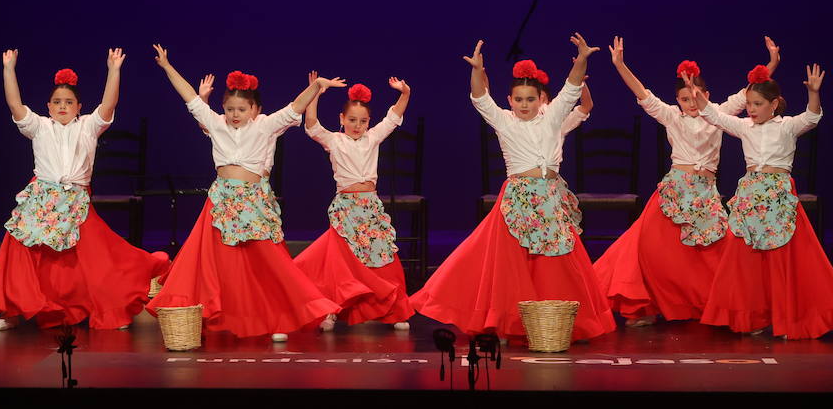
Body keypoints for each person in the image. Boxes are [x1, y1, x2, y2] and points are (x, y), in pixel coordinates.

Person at [410, 35, 615, 342]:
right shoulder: (505, 122)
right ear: (510, 101)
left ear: (540, 100)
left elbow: (572, 89)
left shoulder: (553, 117)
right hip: (518, 199)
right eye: (518, 100)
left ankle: (554, 321)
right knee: (510, 265)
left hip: (549, 198)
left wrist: (582, 58)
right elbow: (480, 99)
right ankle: (505, 321)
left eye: (530, 99)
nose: (524, 105)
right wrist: (478, 70)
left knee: (555, 264)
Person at [145, 45, 341, 340]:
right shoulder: (215, 124)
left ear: (254, 109)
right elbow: (188, 96)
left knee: (268, 260)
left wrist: (316, 86)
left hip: (253, 199)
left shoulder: (265, 126)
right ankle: (220, 313)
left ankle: (296, 312)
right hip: (222, 200)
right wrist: (167, 65)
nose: (234, 115)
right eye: (229, 109)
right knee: (217, 264)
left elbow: (295, 107)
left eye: (241, 109)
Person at [594, 36, 780, 325]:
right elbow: (643, 94)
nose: (691, 103)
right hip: (675, 190)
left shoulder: (717, 113)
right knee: (648, 249)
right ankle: (645, 306)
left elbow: (748, 94)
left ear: (705, 93)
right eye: (684, 99)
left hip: (705, 193)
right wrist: (620, 64)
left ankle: (727, 308)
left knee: (714, 254)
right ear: (677, 101)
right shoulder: (671, 117)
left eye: (695, 96)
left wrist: (771, 64)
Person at [0, 48, 169, 330]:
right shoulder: (39, 126)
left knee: (97, 255)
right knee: (19, 249)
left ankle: (113, 305)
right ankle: (12, 310)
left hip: (75, 200)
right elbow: (15, 105)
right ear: (48, 106)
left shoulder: (88, 127)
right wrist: (9, 69)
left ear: (78, 106)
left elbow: (108, 105)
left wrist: (114, 70)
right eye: (57, 102)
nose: (62, 106)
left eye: (69, 102)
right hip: (42, 198)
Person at [690, 63, 833, 338]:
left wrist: (814, 93)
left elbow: (811, 117)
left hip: (778, 197)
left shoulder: (786, 127)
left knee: (782, 260)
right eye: (749, 104)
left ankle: (789, 318)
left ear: (773, 104)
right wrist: (697, 95)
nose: (751, 109)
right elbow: (715, 116)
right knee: (747, 262)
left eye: (757, 104)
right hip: (750, 196)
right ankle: (753, 317)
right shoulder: (745, 126)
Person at [294, 77, 414, 331]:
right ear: (341, 119)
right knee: (341, 264)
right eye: (352, 120)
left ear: (368, 122)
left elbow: (393, 117)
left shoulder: (372, 139)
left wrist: (405, 93)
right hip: (346, 209)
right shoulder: (335, 141)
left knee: (383, 257)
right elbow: (312, 125)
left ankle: (394, 309)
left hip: (369, 207)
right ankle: (330, 310)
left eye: (363, 121)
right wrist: (316, 91)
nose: (357, 126)